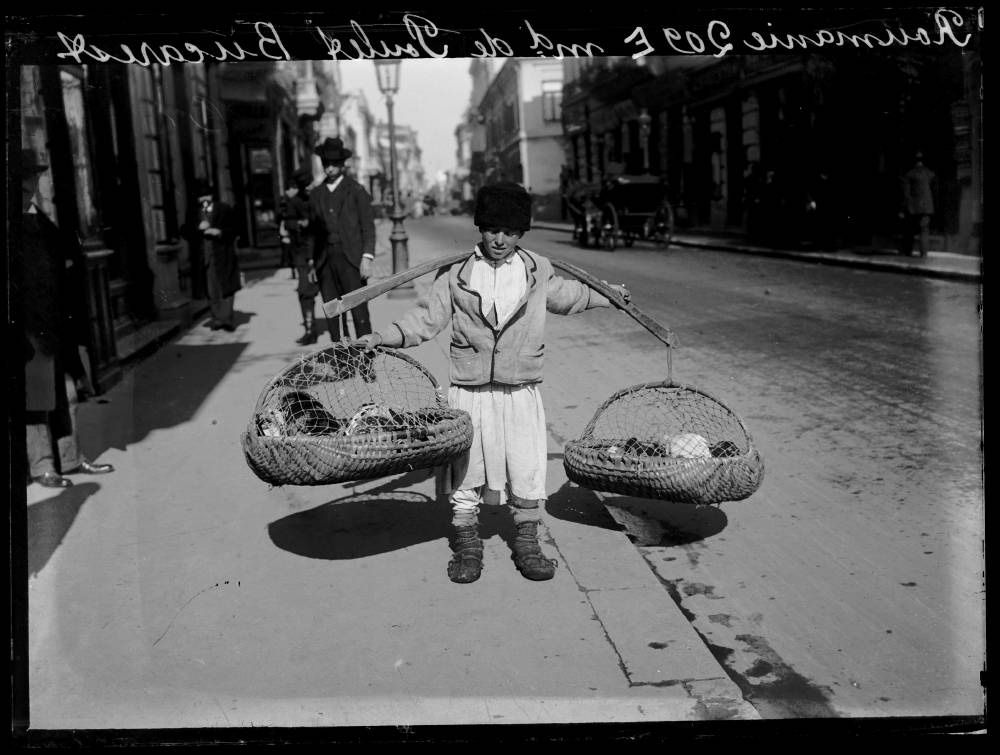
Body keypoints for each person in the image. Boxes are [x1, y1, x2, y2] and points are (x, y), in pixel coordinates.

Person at [356, 182, 630, 584]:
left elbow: (567, 296)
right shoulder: (456, 273)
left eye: (510, 231)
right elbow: (426, 321)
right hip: (470, 389)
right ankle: (468, 543)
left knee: (526, 465)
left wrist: (606, 295)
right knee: (466, 470)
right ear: (479, 228)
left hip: (520, 388)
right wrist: (381, 337)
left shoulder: (536, 269)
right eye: (491, 229)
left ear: (521, 233)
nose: (499, 239)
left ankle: (528, 541)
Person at [19, 148, 114, 488]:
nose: (30, 184)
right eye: (23, 178)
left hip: (55, 321)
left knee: (68, 393)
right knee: (36, 398)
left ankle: (71, 458)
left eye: (32, 177)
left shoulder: (40, 219)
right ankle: (42, 465)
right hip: (28, 325)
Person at [307, 137, 376, 343]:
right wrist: (312, 262)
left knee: (359, 311)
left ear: (342, 164)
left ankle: (365, 362)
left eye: (334, 163)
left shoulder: (356, 190)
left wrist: (367, 257)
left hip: (351, 259)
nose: (329, 168)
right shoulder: (316, 194)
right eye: (326, 163)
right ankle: (342, 362)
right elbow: (312, 231)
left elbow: (367, 226)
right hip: (325, 260)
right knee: (333, 311)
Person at [183, 179, 241, 331]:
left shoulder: (224, 209)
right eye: (201, 199)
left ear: (211, 197)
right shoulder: (193, 213)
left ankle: (227, 318)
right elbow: (185, 232)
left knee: (227, 287)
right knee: (211, 289)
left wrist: (219, 232)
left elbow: (236, 230)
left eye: (206, 198)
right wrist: (197, 227)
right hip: (205, 258)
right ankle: (217, 318)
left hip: (223, 255)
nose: (204, 202)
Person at [278, 167, 320, 345]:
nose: (308, 188)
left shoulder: (320, 197)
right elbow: (287, 221)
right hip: (302, 252)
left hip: (323, 251)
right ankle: (310, 330)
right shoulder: (294, 201)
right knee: (304, 291)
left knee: (334, 292)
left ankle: (341, 334)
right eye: (305, 186)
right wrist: (299, 223)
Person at [898, 151, 936, 257]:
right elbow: (934, 190)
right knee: (924, 230)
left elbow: (906, 194)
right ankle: (924, 253)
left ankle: (907, 252)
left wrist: (902, 209)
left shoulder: (909, 175)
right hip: (927, 207)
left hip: (913, 208)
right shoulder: (930, 174)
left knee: (909, 231)